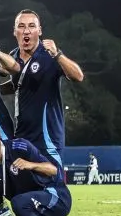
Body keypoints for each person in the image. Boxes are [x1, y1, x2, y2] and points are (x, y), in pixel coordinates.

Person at [9, 9, 84, 169]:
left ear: (40, 30)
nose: (26, 31)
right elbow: (17, 86)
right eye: (21, 26)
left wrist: (57, 55)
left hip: (47, 136)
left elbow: (78, 76)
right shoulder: (13, 56)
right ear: (15, 31)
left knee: (52, 182)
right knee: (26, 185)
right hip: (22, 135)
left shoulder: (49, 55)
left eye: (31, 26)